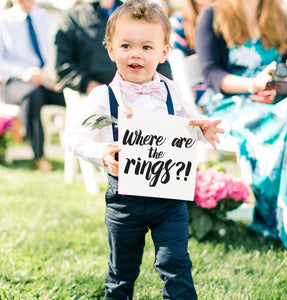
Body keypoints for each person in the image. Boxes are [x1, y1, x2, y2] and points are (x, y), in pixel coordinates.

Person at [65, 0, 224, 298]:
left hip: (169, 201)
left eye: (147, 47)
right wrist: (100, 153)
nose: (135, 54)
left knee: (176, 264)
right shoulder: (103, 96)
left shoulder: (171, 90)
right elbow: (74, 138)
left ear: (164, 52)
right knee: (122, 271)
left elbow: (183, 129)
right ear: (111, 49)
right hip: (125, 202)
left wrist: (201, 130)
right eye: (126, 45)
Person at [195, 0, 287, 250]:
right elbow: (211, 73)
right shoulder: (214, 15)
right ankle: (286, 218)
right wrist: (252, 85)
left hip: (279, 102)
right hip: (233, 104)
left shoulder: (280, 17)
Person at [52, 0, 173, 96]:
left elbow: (156, 55)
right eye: (125, 46)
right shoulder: (71, 19)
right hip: (95, 92)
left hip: (142, 92)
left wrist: (161, 88)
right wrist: (91, 86)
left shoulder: (135, 13)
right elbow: (61, 68)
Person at [0, 0, 65, 171]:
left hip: (46, 80)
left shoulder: (49, 18)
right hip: (14, 83)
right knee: (31, 95)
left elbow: (55, 52)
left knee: (71, 95)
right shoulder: (3, 21)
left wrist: (49, 74)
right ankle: (39, 156)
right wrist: (24, 73)